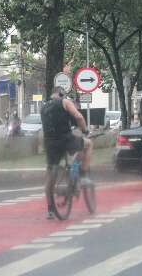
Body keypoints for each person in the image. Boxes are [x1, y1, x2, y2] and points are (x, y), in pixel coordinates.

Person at [41, 86, 93, 219]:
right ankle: (83, 175)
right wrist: (85, 130)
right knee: (87, 144)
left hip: (50, 143)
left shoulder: (43, 108)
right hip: (66, 139)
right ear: (60, 94)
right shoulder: (65, 102)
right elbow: (78, 116)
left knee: (50, 174)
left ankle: (50, 209)